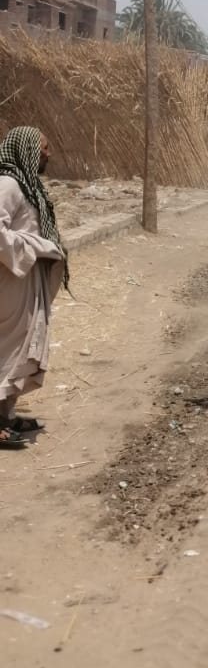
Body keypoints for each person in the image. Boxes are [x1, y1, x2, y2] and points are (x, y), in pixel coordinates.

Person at [0, 127, 67, 449]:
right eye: (44, 148)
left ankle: (5, 415)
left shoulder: (28, 185)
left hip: (26, 277)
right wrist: (37, 246)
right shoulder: (8, 184)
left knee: (20, 346)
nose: (48, 154)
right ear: (26, 148)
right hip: (10, 280)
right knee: (6, 347)